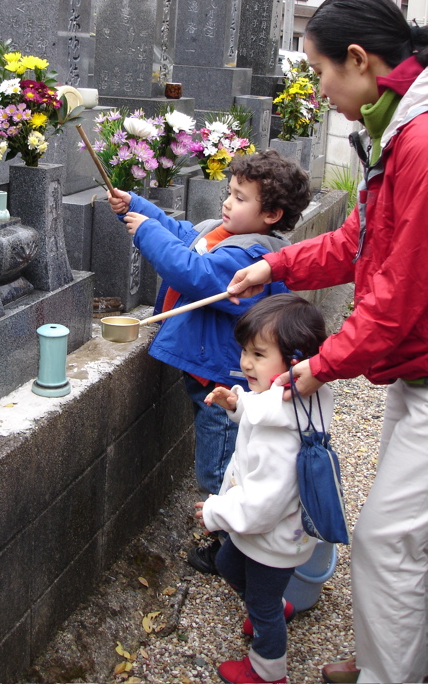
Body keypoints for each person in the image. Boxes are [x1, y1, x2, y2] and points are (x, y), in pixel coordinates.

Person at [227, 0, 428, 684]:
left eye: (318, 72)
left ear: (358, 59)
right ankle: (389, 659)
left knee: (387, 539)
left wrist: (321, 364)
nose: (318, 89)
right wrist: (272, 263)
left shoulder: (420, 140)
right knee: (408, 538)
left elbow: (398, 295)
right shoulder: (395, 126)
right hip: (414, 368)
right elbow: (356, 241)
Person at [108, 149, 311, 574]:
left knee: (220, 464)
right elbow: (183, 235)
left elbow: (193, 274)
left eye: (239, 198)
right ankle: (235, 535)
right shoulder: (221, 233)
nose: (227, 202)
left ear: (271, 214)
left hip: (224, 380)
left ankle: (231, 551)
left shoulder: (250, 256)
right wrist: (137, 208)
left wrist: (145, 232)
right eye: (229, 192)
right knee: (221, 455)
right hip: (207, 369)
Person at [195, 293, 332, 684]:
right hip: (267, 532)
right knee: (226, 564)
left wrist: (212, 511)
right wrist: (237, 406)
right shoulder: (296, 400)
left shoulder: (281, 439)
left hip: (272, 537)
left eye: (257, 354)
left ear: (295, 361)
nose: (245, 363)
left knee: (261, 600)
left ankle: (268, 669)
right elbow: (263, 412)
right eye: (244, 351)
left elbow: (260, 505)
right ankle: (274, 607)